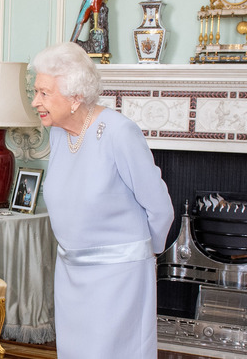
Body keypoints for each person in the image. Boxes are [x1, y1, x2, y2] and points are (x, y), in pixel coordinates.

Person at [30, 42, 173, 359]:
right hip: (71, 270)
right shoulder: (58, 132)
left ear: (75, 97)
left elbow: (159, 205)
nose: (34, 101)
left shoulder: (119, 133)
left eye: (43, 93)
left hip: (118, 276)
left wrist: (143, 254)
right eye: (36, 91)